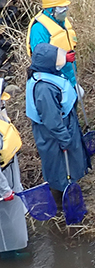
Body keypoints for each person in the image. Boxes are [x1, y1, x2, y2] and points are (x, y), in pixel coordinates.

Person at [25, 43, 91, 211]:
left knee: (66, 164)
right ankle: (61, 204)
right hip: (52, 135)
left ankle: (66, 194)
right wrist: (65, 139)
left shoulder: (48, 74)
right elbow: (52, 121)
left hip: (65, 125)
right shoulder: (44, 88)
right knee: (58, 167)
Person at [0, 78, 28, 260]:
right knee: (5, 220)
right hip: (3, 181)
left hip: (9, 171)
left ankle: (14, 247)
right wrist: (5, 190)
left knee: (12, 215)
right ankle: (10, 254)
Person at [26, 0, 77, 86]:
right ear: (51, 10)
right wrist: (64, 58)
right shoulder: (38, 29)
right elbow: (40, 58)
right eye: (61, 8)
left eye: (65, 7)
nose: (65, 10)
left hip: (69, 75)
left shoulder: (61, 21)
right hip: (53, 79)